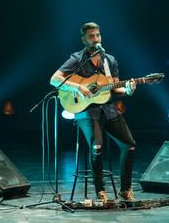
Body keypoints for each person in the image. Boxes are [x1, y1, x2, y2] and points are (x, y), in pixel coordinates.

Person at [50, 22, 137, 202]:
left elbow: (115, 87)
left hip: (109, 109)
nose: (96, 39)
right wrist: (78, 87)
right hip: (86, 111)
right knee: (97, 147)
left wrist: (127, 90)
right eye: (91, 36)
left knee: (129, 145)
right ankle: (100, 190)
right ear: (84, 40)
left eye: (98, 35)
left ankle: (125, 189)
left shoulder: (109, 60)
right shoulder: (77, 59)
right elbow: (54, 79)